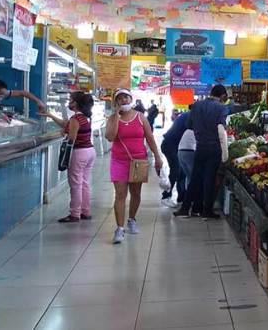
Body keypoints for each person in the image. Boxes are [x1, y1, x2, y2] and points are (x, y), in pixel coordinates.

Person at [106, 89, 163, 244]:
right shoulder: (113, 118)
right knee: (120, 194)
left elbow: (150, 138)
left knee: (136, 193)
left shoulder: (140, 117)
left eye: (126, 97)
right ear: (116, 102)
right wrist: (116, 117)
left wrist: (157, 157)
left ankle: (132, 219)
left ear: (131, 99)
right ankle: (119, 228)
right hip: (119, 161)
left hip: (139, 160)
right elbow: (110, 137)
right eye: (120, 98)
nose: (123, 100)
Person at [174, 85, 230, 220]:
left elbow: (188, 125)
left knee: (194, 178)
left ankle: (185, 209)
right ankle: (207, 211)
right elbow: (221, 127)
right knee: (209, 179)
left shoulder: (196, 105)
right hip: (214, 147)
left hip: (200, 147)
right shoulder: (222, 108)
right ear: (223, 96)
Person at [42, 92, 96, 223]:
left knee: (76, 184)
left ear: (75, 103)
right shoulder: (85, 117)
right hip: (90, 151)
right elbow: (66, 124)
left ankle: (75, 214)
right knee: (85, 183)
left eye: (70, 100)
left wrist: (64, 133)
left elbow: (72, 137)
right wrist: (50, 115)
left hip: (79, 153)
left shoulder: (75, 119)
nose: (69, 103)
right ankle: (85, 211)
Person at [159, 108, 191, 207]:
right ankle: (166, 196)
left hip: (172, 145)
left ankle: (181, 198)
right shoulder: (191, 117)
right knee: (176, 170)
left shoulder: (187, 115)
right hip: (170, 146)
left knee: (181, 173)